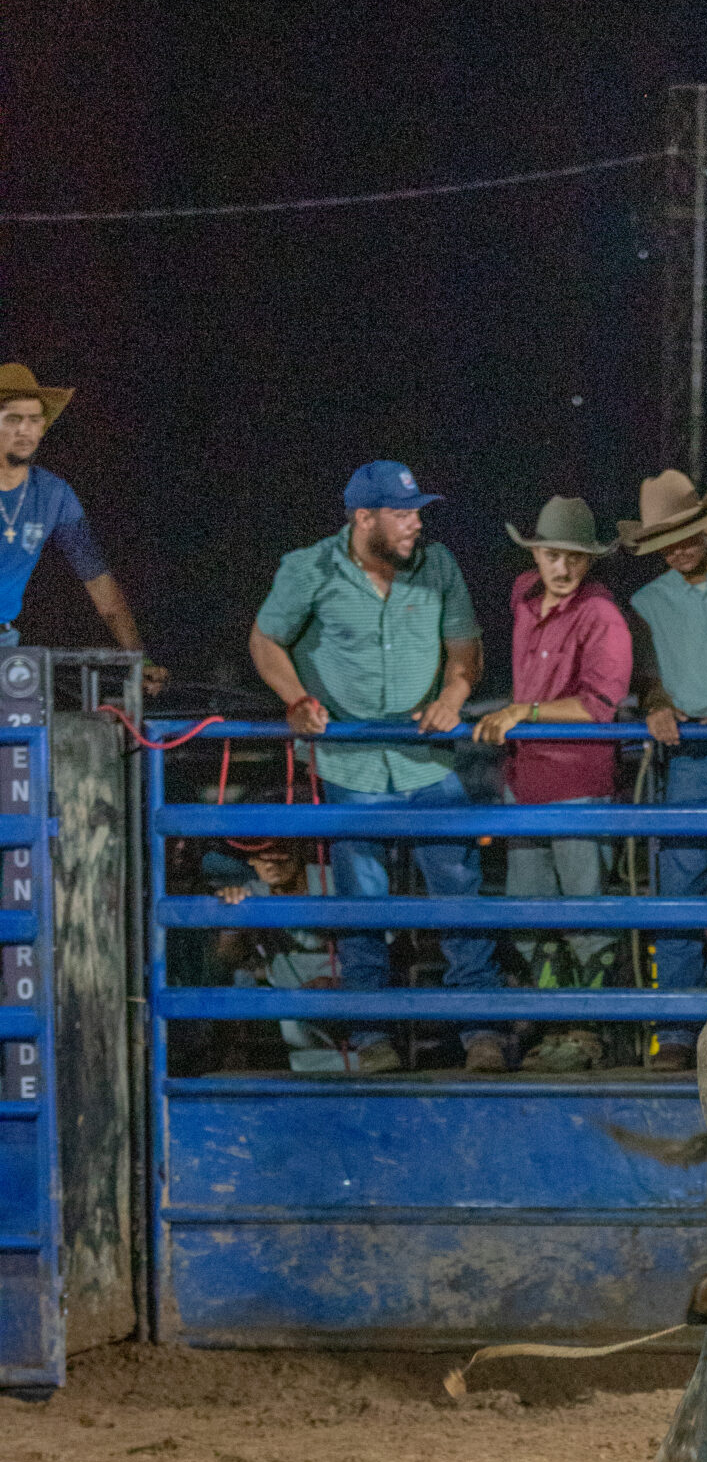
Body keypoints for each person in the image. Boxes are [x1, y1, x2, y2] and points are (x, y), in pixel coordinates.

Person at [249, 460, 507, 1075]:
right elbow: (265, 640)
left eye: (416, 512)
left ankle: (482, 1031)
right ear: (364, 518)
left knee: (459, 893)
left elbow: (466, 646)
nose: (415, 523)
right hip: (350, 761)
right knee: (361, 903)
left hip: (425, 757)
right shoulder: (309, 567)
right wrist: (296, 699)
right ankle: (370, 1036)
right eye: (401, 513)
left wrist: (453, 697)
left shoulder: (438, 566)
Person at [472, 497, 633, 1074]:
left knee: (584, 913)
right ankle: (553, 1024)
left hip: (577, 780)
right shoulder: (525, 596)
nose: (562, 568)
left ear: (589, 561)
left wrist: (526, 711)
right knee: (530, 913)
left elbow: (600, 706)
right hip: (528, 780)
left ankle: (585, 1032)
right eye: (551, 555)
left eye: (574, 557)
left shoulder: (602, 616)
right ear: (535, 555)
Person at [622, 472, 707, 1073]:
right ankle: (676, 1031)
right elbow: (647, 675)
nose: (676, 550)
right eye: (664, 543)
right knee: (681, 896)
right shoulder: (648, 604)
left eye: (684, 537)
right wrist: (655, 704)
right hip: (691, 758)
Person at [0, 363, 166, 692]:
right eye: (14, 419)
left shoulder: (53, 494)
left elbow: (99, 583)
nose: (25, 430)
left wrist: (138, 660)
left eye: (34, 420)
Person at [214, 838, 341, 1074]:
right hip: (299, 1020)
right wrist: (231, 922)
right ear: (250, 859)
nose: (270, 861)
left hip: (351, 1000)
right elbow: (229, 959)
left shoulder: (333, 880)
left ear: (298, 850)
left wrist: (345, 982)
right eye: (260, 853)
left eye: (279, 851)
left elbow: (390, 946)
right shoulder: (252, 893)